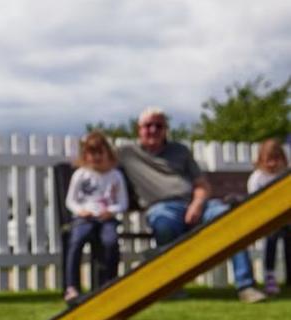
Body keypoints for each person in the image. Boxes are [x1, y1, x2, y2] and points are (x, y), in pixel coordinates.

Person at [117, 107, 266, 303]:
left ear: (165, 129)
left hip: (197, 203)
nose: (153, 129)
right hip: (162, 207)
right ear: (139, 129)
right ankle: (171, 285)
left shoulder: (180, 151)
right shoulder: (126, 153)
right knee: (162, 222)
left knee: (229, 219)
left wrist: (196, 204)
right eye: (148, 125)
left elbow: (202, 185)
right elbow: (95, 156)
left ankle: (246, 286)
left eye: (158, 125)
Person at [63, 131, 128, 302]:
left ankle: (109, 283)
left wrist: (111, 211)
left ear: (108, 153)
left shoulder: (116, 176)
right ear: (85, 155)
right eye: (92, 153)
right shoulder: (80, 175)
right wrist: (80, 211)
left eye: (100, 152)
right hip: (84, 218)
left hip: (106, 219)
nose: (96, 157)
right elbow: (70, 201)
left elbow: (123, 203)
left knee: (111, 242)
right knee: (76, 241)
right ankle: (72, 287)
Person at [248, 138, 289, 295]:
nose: (272, 164)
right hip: (266, 220)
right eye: (268, 160)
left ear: (283, 160)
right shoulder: (257, 178)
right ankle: (269, 275)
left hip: (284, 219)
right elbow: (253, 204)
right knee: (272, 236)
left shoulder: (285, 176)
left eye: (276, 159)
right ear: (261, 160)